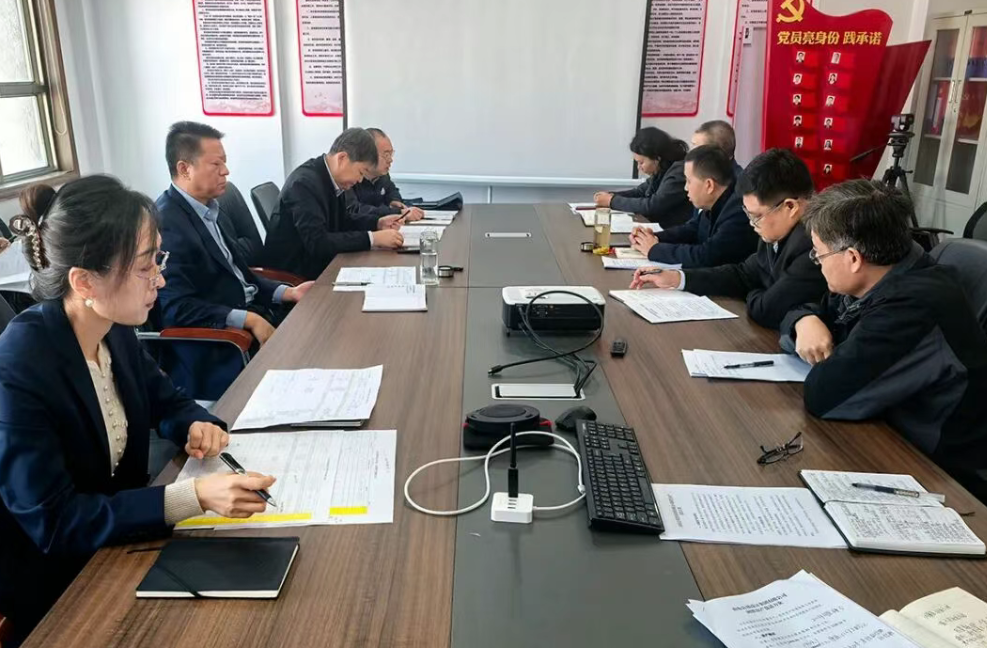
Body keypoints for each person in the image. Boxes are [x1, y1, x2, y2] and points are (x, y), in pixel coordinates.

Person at [0, 176, 276, 646]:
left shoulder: (114, 328)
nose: (160, 280)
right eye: (146, 267)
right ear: (84, 281)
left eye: (158, 261)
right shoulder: (20, 365)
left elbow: (167, 399)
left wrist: (195, 423)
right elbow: (55, 523)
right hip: (63, 590)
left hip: (125, 546)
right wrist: (194, 497)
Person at [780, 179, 987, 499]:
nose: (816, 262)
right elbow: (811, 311)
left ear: (853, 258)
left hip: (941, 475)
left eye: (818, 254)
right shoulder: (889, 269)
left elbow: (826, 395)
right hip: (892, 432)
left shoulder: (912, 307)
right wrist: (803, 321)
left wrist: (819, 335)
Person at [630, 148, 825, 330]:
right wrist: (677, 278)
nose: (752, 224)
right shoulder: (777, 229)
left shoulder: (814, 245)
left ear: (790, 207)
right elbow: (743, 274)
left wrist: (755, 290)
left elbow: (765, 310)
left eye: (756, 216)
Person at [157, 122, 313, 343]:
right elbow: (177, 307)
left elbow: (239, 275)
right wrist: (249, 320)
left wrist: (289, 292)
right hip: (226, 340)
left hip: (255, 310)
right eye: (216, 164)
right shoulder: (167, 224)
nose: (225, 171)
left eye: (225, 162)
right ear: (184, 169)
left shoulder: (209, 208)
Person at [264, 128, 406, 280]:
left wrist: (377, 223)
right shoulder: (304, 184)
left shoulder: (330, 178)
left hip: (321, 264)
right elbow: (318, 243)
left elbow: (344, 220)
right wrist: (372, 238)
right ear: (342, 158)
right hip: (297, 275)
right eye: (360, 172)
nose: (360, 180)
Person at [628, 145, 758, 268]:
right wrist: (653, 237)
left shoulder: (738, 212)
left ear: (709, 185)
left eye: (689, 181)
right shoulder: (717, 201)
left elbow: (706, 256)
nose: (685, 188)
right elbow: (692, 229)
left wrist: (655, 249)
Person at [592, 127, 692, 227]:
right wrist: (610, 195)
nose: (638, 167)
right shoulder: (662, 169)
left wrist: (612, 201)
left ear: (657, 159)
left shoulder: (679, 173)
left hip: (670, 231)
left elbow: (653, 206)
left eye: (641, 162)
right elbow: (639, 192)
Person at [346, 128, 424, 221]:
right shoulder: (349, 178)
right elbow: (356, 209)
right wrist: (398, 213)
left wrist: (394, 200)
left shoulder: (382, 175)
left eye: (391, 154)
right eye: (386, 155)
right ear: (367, 154)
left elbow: (392, 190)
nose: (390, 160)